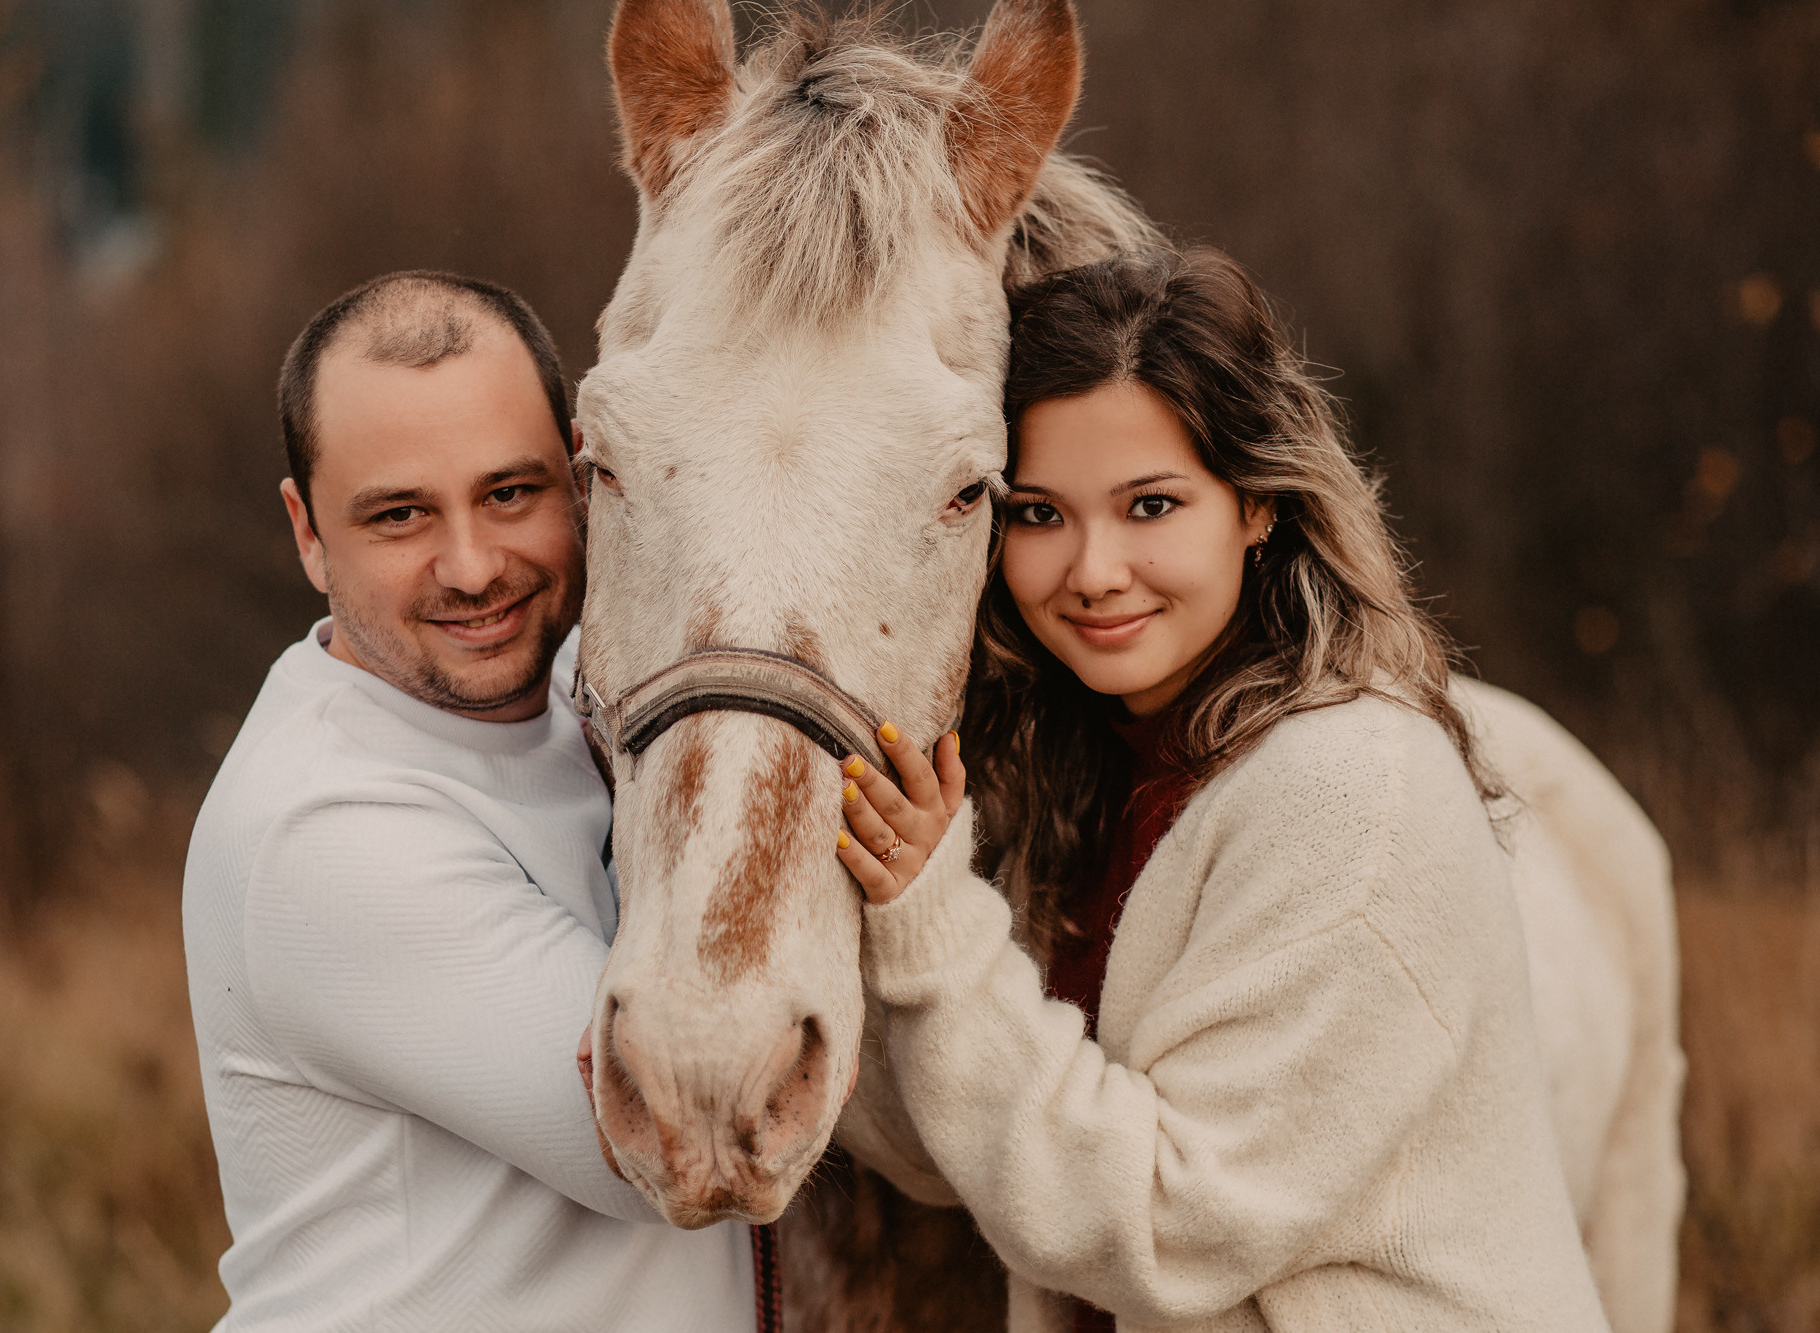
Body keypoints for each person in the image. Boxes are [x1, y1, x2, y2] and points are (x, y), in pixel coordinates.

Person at [829, 250, 1610, 1330]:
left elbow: (1168, 1227)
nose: (1093, 569)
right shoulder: (1096, 770)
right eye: (1040, 514)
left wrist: (933, 934)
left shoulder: (1348, 791)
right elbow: (969, 1144)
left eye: (1149, 505)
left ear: (1254, 504)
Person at [182, 270, 754, 1331]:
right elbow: (682, 1140)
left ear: (584, 476)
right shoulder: (323, 829)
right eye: (399, 515)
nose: (473, 565)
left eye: (510, 492)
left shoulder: (594, 686)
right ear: (307, 531)